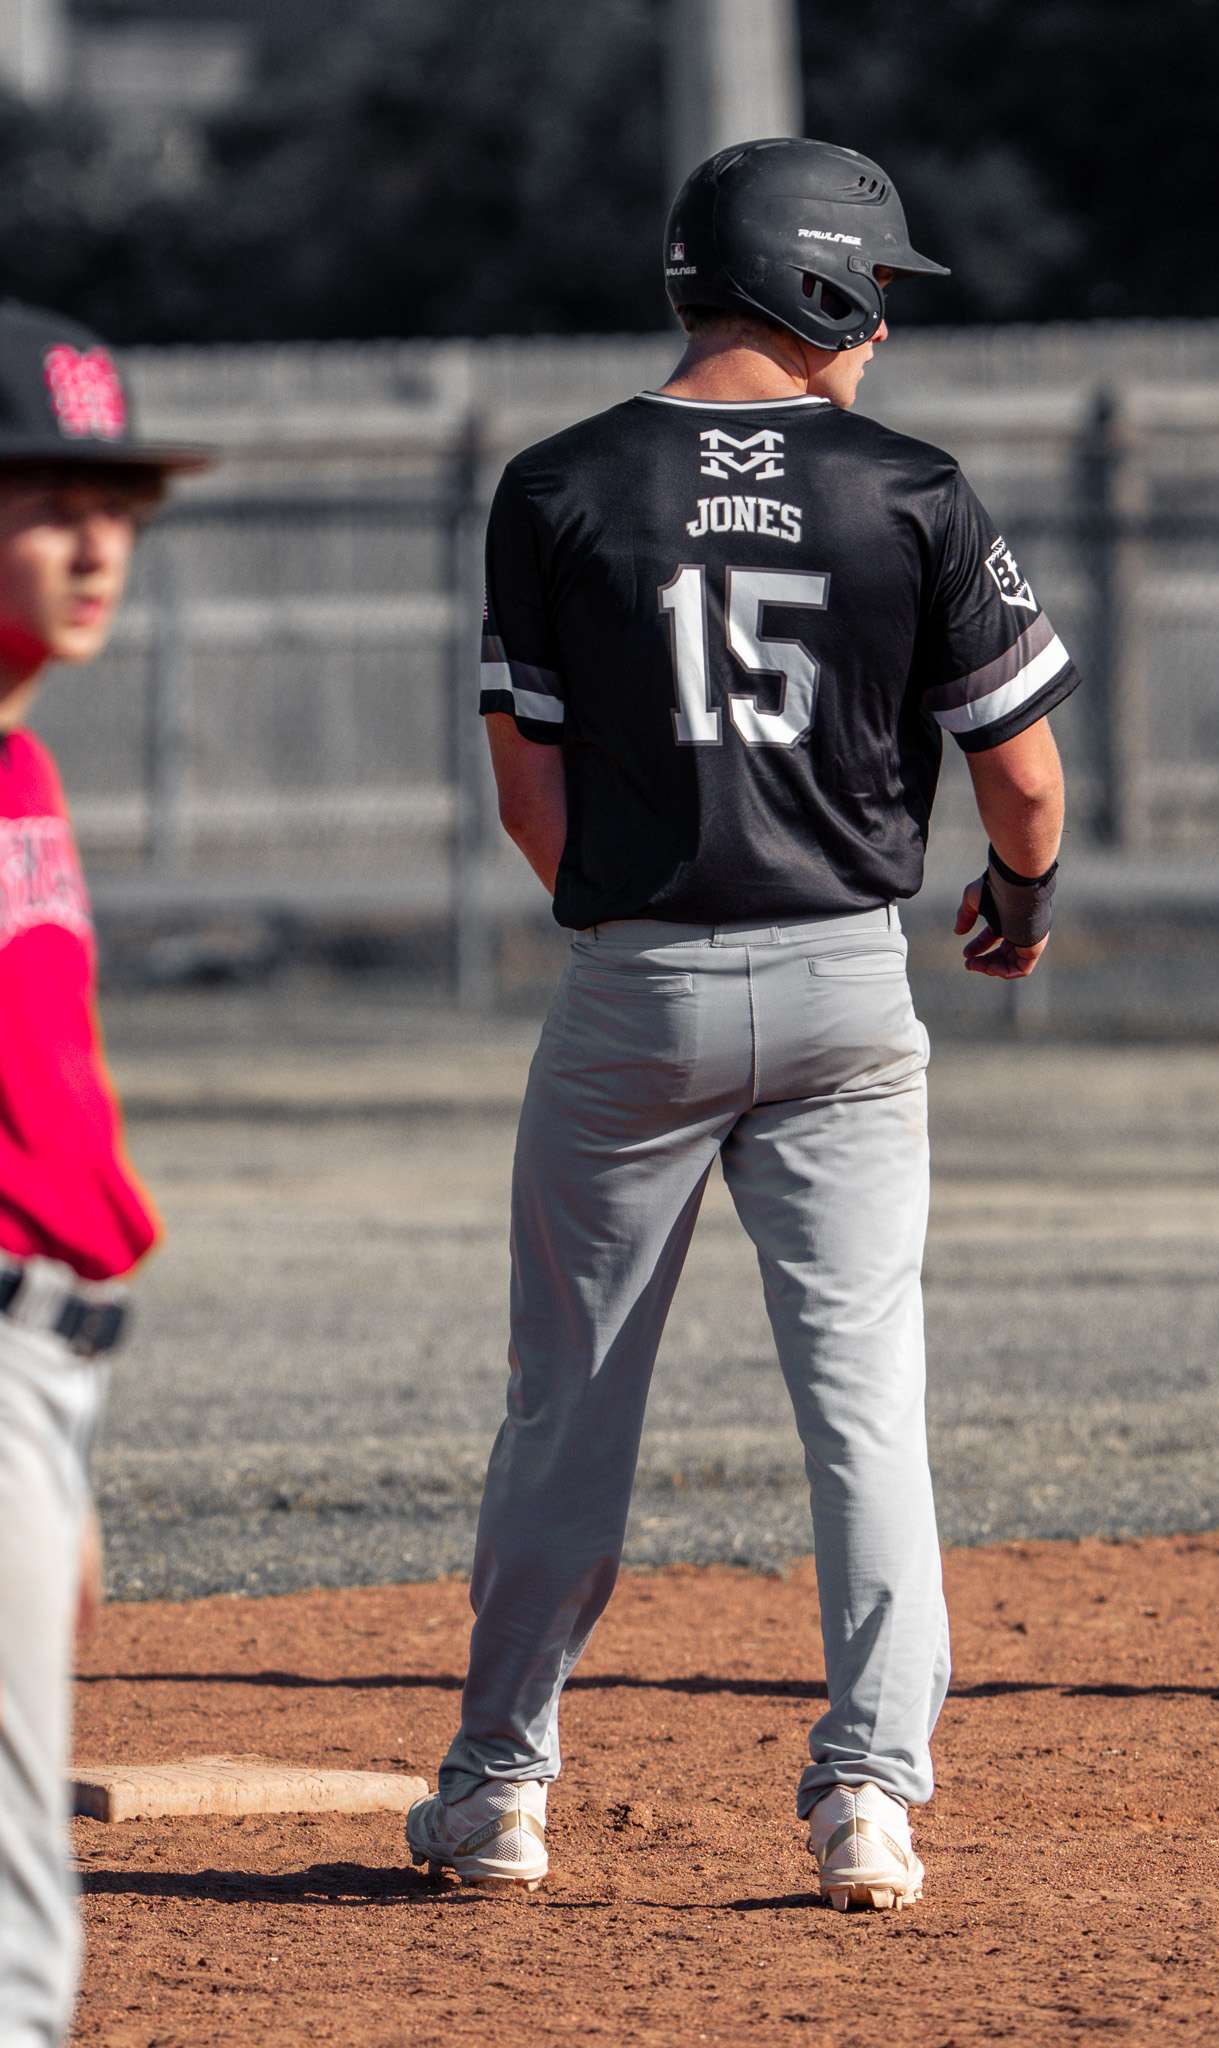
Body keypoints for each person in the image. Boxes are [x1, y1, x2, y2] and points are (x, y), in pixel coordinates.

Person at [406, 137, 1078, 1911]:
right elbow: (1023, 785)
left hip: (635, 987)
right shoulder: (909, 487)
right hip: (853, 989)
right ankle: (869, 1795)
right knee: (864, 1403)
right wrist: (1014, 905)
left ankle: (496, 1791)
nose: (882, 335)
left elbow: (527, 805)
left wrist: (632, 933)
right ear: (818, 288)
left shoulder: (553, 483)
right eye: (876, 297)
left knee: (569, 1404)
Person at [0, 300, 212, 2043]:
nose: (96, 543)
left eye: (116, 503)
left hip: (48, 1365)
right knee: (16, 1914)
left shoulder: (24, 764)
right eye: (47, 498)